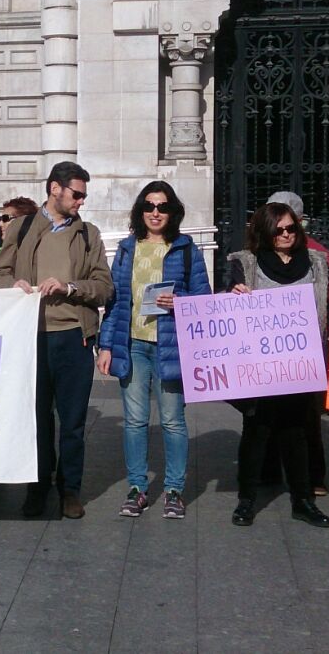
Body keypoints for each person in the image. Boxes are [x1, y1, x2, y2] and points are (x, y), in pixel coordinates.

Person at [0, 161, 112, 520]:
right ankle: (37, 487)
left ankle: (70, 489)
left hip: (74, 337)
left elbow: (105, 287)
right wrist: (12, 286)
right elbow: (0, 272)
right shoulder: (23, 226)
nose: (81, 201)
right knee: (36, 419)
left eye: (83, 195)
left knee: (73, 421)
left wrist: (70, 287)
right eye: (76, 194)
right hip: (31, 337)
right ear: (55, 189)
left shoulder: (88, 234)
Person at [97, 181, 210, 519]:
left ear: (173, 211)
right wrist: (106, 345)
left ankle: (174, 489)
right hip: (132, 345)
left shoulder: (187, 250)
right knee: (134, 421)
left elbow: (204, 302)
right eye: (149, 206)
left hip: (172, 347)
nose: (155, 212)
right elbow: (115, 301)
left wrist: (180, 302)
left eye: (162, 207)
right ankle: (137, 488)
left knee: (173, 421)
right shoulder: (128, 249)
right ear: (140, 210)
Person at [223, 201, 329, 529]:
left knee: (297, 431)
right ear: (265, 232)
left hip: (301, 363)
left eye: (291, 228)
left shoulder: (315, 263)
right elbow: (229, 302)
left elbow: (326, 306)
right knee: (257, 430)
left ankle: (303, 500)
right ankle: (246, 500)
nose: (286, 235)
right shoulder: (248, 263)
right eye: (278, 230)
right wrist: (234, 293)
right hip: (259, 364)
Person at [266, 190, 329, 496]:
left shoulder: (318, 255)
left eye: (288, 225)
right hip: (269, 346)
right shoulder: (258, 252)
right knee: (268, 412)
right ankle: (272, 472)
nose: (283, 232)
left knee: (307, 416)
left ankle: (311, 476)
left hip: (304, 347)